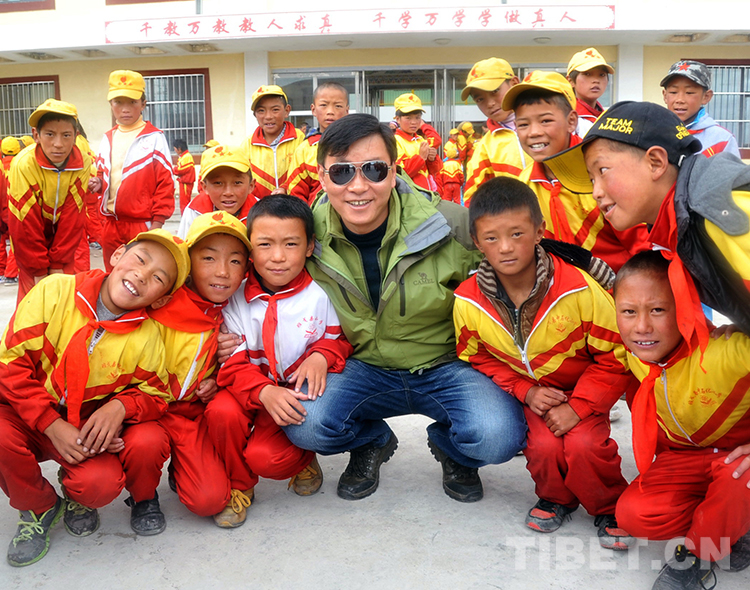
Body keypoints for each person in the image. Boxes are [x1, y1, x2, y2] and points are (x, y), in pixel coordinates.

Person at [278, 113, 526, 503]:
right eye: (341, 172)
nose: (358, 186)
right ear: (322, 178)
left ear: (394, 172)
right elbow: (252, 279)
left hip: (445, 365)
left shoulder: (450, 226)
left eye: (374, 169)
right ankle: (372, 441)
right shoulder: (304, 234)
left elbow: (523, 272)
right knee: (305, 424)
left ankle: (453, 449)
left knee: (498, 437)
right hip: (360, 367)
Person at [454, 176, 633, 548]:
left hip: (585, 391)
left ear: (539, 232)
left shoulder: (578, 288)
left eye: (517, 234)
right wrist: (525, 391)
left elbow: (616, 354)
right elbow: (477, 356)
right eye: (491, 238)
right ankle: (556, 499)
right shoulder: (468, 301)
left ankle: (609, 506)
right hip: (535, 395)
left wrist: (579, 407)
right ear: (477, 242)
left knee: (584, 445)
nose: (505, 247)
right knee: (544, 447)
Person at [0, 228, 183, 566]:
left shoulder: (147, 336)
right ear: (117, 255)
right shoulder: (54, 292)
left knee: (99, 484)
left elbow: (158, 393)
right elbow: (9, 364)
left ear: (160, 299)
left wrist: (120, 407)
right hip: (26, 415)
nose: (141, 275)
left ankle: (75, 493)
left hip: (84, 428)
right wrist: (49, 422)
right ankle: (39, 507)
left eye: (158, 278)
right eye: (140, 259)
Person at [545, 100, 750, 348]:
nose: (595, 192)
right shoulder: (678, 226)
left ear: (655, 162)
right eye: (591, 180)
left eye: (603, 170)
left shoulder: (721, 212)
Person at [206, 195, 351, 527]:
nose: (277, 256)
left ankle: (303, 459)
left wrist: (322, 355)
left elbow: (343, 339)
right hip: (251, 388)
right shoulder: (234, 296)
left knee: (267, 458)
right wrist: (263, 392)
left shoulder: (322, 292)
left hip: (294, 393)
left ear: (310, 246)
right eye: (265, 244)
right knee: (220, 411)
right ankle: (239, 485)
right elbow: (232, 362)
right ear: (249, 249)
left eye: (291, 244)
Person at [612, 250, 750, 590]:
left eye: (657, 310)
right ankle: (732, 521)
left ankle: (699, 556)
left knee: (741, 477)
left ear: (686, 308)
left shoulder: (728, 350)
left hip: (736, 457)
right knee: (633, 513)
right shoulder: (636, 352)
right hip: (684, 457)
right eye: (629, 312)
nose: (642, 326)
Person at [121, 212, 248, 534]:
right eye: (208, 258)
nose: (222, 271)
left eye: (235, 261)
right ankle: (143, 497)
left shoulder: (234, 310)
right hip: (144, 411)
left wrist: (215, 380)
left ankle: (182, 470)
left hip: (189, 414)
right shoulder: (159, 298)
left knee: (209, 500)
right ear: (188, 263)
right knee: (144, 444)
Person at [503, 71, 647, 273]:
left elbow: (643, 245)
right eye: (523, 124)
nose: (534, 132)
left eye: (545, 121)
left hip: (618, 287)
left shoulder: (604, 173)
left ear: (571, 121)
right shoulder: (523, 186)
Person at [7, 99, 92, 302]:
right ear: (36, 135)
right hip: (30, 247)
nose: (58, 144)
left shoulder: (83, 162)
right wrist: (38, 269)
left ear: (76, 136)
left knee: (64, 301)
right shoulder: (23, 164)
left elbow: (73, 216)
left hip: (63, 244)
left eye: (66, 135)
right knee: (33, 304)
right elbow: (24, 221)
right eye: (50, 134)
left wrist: (58, 265)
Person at [91, 69, 175, 271]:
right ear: (111, 105)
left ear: (143, 104)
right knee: (112, 275)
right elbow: (104, 176)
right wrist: (98, 183)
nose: (125, 109)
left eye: (132, 102)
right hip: (111, 223)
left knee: (139, 275)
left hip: (142, 223)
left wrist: (156, 225)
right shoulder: (107, 138)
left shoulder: (154, 138)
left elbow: (165, 184)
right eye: (118, 102)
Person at [461, 57, 526, 205]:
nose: (490, 103)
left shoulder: (550, 124)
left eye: (495, 91)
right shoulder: (485, 148)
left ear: (514, 83)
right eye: (480, 99)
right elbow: (474, 200)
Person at [661, 59, 741, 158]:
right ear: (665, 95)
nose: (680, 100)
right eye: (673, 92)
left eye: (689, 92)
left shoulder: (722, 139)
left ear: (706, 97)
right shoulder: (653, 133)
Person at [286, 82, 350, 203]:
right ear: (313, 110)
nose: (330, 111)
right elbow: (296, 191)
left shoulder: (355, 143)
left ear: (347, 111)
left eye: (338, 106)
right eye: (323, 105)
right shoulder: (305, 149)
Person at [177, 144, 258, 238]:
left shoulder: (261, 212)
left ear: (251, 186)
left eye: (237, 182)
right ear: (205, 187)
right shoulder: (195, 211)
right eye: (218, 183)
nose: (228, 192)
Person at [240, 85, 304, 199]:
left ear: (287, 110)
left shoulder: (301, 139)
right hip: (259, 207)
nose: (268, 116)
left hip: (294, 205)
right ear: (255, 114)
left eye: (275, 110)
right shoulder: (247, 145)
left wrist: (286, 188)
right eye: (261, 111)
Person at [392, 93, 443, 194]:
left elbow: (435, 170)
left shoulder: (420, 139)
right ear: (398, 119)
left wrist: (432, 159)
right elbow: (400, 173)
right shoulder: (395, 141)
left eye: (417, 117)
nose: (414, 122)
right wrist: (421, 158)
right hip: (410, 196)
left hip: (427, 193)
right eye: (408, 118)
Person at [566, 47, 614, 128]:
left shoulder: (610, 118)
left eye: (602, 75)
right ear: (571, 81)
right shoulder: (566, 116)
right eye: (587, 74)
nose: (596, 80)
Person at [173, 138, 196, 214]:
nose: (175, 151)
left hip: (186, 182)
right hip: (183, 182)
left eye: (175, 149)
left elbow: (181, 169)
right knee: (183, 202)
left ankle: (185, 216)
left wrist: (174, 169)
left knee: (185, 202)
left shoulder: (186, 156)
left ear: (179, 149)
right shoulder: (183, 156)